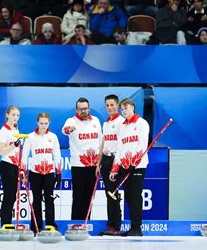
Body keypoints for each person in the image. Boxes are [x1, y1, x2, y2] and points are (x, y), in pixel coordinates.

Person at [109, 98, 149, 237]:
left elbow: (142, 145)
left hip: (138, 166)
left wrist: (134, 163)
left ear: (132, 107)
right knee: (129, 197)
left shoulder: (142, 123)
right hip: (125, 166)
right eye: (122, 109)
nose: (124, 111)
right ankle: (133, 227)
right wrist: (115, 168)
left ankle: (137, 228)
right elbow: (120, 148)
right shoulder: (122, 127)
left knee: (135, 196)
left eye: (126, 108)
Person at [62, 97, 102, 220]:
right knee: (78, 196)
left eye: (85, 108)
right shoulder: (71, 121)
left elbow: (101, 141)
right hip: (78, 165)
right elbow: (64, 130)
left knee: (89, 197)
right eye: (80, 109)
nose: (83, 111)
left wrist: (99, 163)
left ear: (89, 108)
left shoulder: (95, 120)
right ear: (76, 110)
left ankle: (85, 223)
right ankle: (74, 224)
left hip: (93, 166)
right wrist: (70, 129)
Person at [21, 113, 61, 233]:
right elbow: (24, 156)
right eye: (41, 123)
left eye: (46, 123)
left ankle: (51, 226)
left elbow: (57, 155)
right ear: (37, 123)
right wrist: (23, 173)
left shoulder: (53, 137)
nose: (43, 126)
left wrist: (58, 174)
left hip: (49, 172)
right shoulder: (30, 137)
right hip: (35, 173)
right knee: (36, 200)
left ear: (49, 123)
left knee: (49, 199)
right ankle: (36, 227)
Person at [95, 94, 125, 236]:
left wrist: (116, 165)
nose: (109, 108)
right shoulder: (105, 123)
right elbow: (103, 143)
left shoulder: (122, 122)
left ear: (117, 105)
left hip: (117, 160)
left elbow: (122, 144)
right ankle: (111, 225)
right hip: (106, 160)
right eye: (107, 105)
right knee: (109, 194)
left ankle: (116, 226)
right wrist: (98, 163)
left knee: (114, 194)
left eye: (112, 105)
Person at [0, 105, 22, 227]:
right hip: (6, 165)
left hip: (15, 165)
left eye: (17, 115)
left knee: (13, 196)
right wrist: (14, 145)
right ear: (7, 115)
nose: (15, 117)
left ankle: (4, 214)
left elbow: (17, 151)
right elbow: (1, 151)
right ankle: (5, 223)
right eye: (13, 115)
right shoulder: (4, 130)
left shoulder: (16, 129)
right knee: (9, 195)